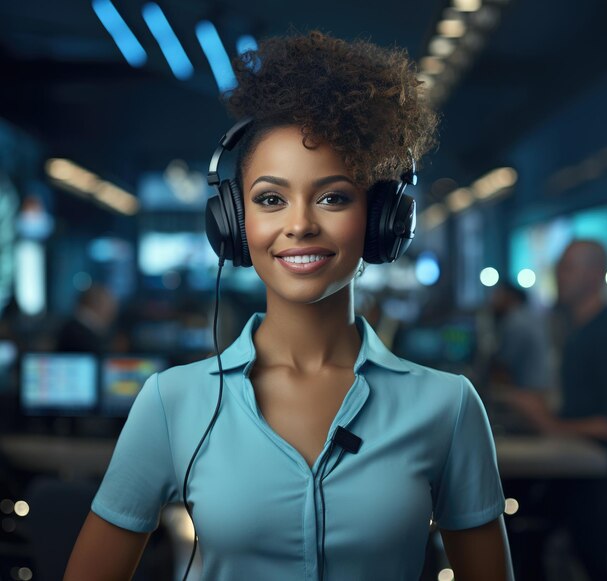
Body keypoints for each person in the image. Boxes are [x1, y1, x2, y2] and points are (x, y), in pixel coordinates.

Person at [65, 30, 514, 580]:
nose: (299, 224)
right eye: (270, 199)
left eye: (333, 196)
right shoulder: (172, 402)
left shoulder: (448, 407)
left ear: (380, 220)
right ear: (233, 222)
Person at [501, 239, 607, 580]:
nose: (559, 274)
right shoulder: (578, 331)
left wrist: (549, 422)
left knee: (588, 557)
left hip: (598, 476)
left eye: (569, 266)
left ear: (595, 274)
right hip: (577, 464)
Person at [56, 284, 119, 353]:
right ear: (97, 304)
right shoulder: (81, 334)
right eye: (109, 305)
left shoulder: (71, 326)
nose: (113, 311)